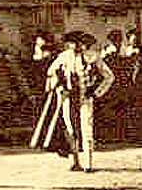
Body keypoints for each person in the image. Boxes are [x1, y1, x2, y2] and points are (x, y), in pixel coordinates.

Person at [32, 31, 114, 171]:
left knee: (86, 128)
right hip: (68, 97)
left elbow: (109, 77)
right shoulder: (63, 57)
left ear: (85, 44)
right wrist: (58, 85)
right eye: (73, 43)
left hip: (85, 96)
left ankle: (88, 164)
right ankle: (76, 161)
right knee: (70, 129)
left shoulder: (93, 57)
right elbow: (50, 73)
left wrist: (96, 93)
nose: (76, 46)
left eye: (80, 43)